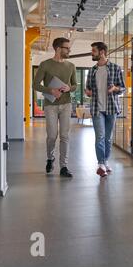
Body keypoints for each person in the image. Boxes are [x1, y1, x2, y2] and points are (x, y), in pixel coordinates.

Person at [33, 37, 77, 177]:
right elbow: (35, 84)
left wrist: (69, 88)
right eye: (67, 48)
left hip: (66, 104)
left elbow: (75, 85)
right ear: (58, 49)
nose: (69, 50)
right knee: (52, 136)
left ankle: (64, 166)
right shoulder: (45, 65)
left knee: (65, 136)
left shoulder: (71, 66)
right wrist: (50, 91)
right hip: (50, 105)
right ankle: (50, 158)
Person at [85, 42, 125, 178]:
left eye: (94, 51)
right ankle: (101, 163)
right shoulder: (92, 70)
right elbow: (87, 89)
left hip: (111, 108)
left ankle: (106, 161)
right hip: (97, 108)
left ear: (102, 52)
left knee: (108, 138)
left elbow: (123, 88)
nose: (92, 53)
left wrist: (115, 88)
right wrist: (87, 92)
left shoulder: (115, 68)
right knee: (100, 137)